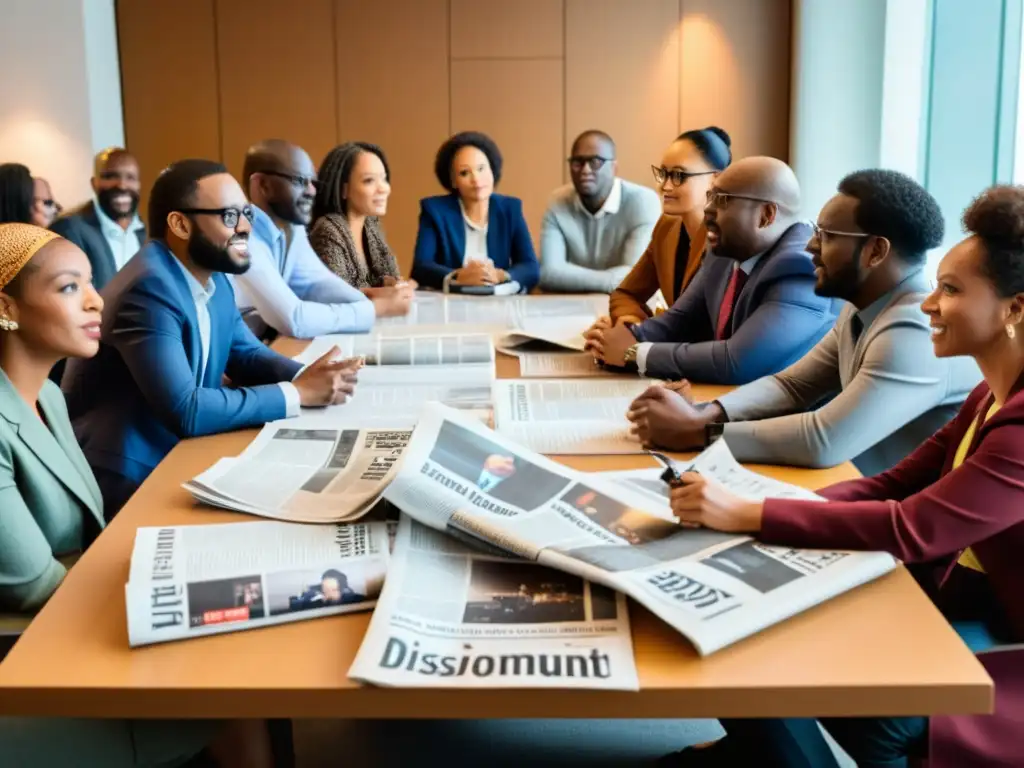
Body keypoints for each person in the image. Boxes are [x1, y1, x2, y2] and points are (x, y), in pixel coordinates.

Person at [662, 184, 1024, 768]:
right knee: (756, 620)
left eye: (951, 290)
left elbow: (912, 526)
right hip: (965, 595)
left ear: (1015, 308)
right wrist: (775, 511)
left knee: (870, 711)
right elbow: (892, 484)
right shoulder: (989, 393)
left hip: (1005, 641)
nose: (928, 304)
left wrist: (750, 514)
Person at [0, 223, 278, 768]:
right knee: (238, 685)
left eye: (89, 283)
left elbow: (84, 536)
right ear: (6, 306)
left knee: (244, 667)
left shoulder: (49, 397)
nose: (94, 299)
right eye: (67, 288)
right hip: (31, 657)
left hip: (69, 614)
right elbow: (32, 583)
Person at [62, 159, 362, 519]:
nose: (247, 227)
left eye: (246, 213)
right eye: (230, 216)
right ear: (180, 224)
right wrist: (297, 394)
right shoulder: (149, 287)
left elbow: (245, 353)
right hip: (129, 472)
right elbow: (186, 410)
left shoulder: (213, 274)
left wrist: (307, 375)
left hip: (177, 451)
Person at [628, 170, 981, 475]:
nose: (810, 246)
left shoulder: (916, 328)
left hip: (902, 530)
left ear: (875, 251)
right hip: (852, 490)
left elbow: (822, 439)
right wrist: (704, 413)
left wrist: (698, 432)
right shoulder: (864, 307)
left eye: (827, 236)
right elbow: (792, 387)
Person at [586, 156, 839, 384]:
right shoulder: (723, 250)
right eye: (710, 196)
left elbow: (736, 361)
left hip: (785, 421)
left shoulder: (803, 268)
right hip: (726, 399)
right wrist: (623, 337)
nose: (708, 210)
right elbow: (680, 321)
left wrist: (635, 354)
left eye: (723, 200)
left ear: (766, 215)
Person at [233, 139, 408, 340]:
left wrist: (371, 301)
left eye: (313, 182)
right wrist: (375, 309)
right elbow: (294, 319)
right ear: (263, 185)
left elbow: (316, 285)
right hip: (227, 364)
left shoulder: (293, 228)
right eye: (300, 181)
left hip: (262, 350)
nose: (312, 191)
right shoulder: (241, 239)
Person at [600, 127, 733, 329]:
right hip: (668, 349)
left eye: (679, 175)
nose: (666, 186)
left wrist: (641, 336)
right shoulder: (667, 226)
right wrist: (630, 325)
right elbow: (626, 294)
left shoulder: (730, 237)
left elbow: (704, 327)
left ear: (716, 179)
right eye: (663, 173)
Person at [411, 131, 540, 293]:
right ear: (453, 181)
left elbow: (531, 267)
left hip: (499, 305)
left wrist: (502, 275)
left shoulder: (510, 209)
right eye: (465, 173)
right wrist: (457, 276)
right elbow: (421, 267)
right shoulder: (435, 210)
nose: (476, 179)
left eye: (481, 169)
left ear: (492, 170)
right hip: (451, 306)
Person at [538, 130, 661, 293]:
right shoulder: (557, 201)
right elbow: (548, 273)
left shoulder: (643, 201)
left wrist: (568, 276)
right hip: (570, 307)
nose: (585, 170)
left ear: (614, 168)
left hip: (628, 307)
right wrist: (612, 279)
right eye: (577, 162)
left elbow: (636, 278)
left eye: (596, 161)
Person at [309, 141, 414, 300]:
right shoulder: (328, 229)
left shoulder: (371, 224)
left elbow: (389, 274)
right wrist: (384, 292)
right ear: (343, 189)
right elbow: (338, 296)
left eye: (384, 179)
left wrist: (394, 284)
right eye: (369, 180)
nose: (384, 188)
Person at [50, 147, 146, 292]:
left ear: (139, 185)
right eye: (110, 177)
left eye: (130, 177)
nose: (122, 185)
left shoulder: (146, 232)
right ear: (94, 183)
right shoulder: (68, 229)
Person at [290, 569, 366, 611]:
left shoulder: (358, 601)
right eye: (325, 590)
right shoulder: (316, 602)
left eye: (333, 590)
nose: (328, 595)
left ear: (343, 590)